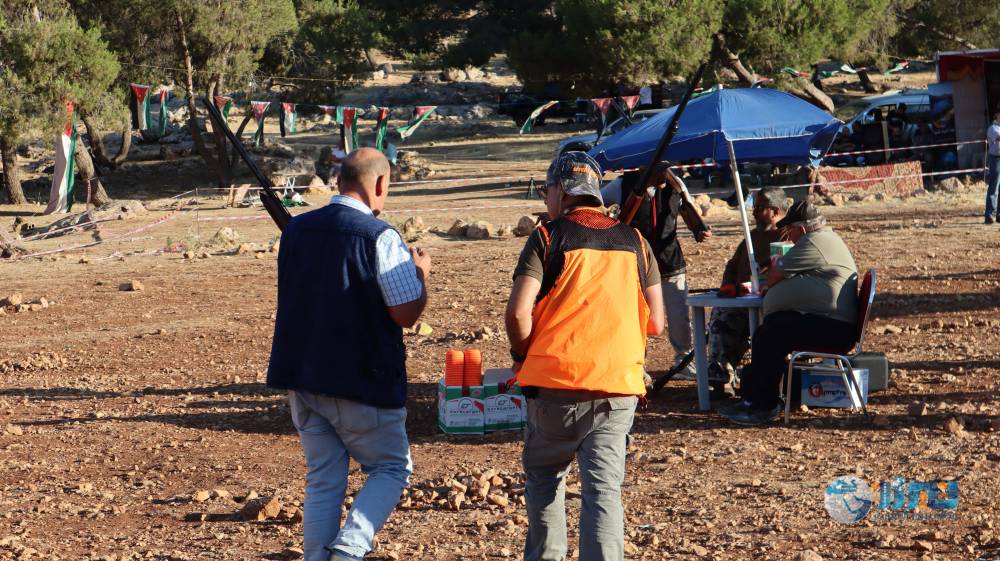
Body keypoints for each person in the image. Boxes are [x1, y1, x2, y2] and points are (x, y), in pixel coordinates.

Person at [267, 148, 431, 561]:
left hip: (303, 376)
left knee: (324, 479)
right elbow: (406, 313)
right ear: (380, 184)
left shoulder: (296, 230)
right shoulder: (380, 236)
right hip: (361, 379)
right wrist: (420, 274)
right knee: (391, 468)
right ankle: (350, 549)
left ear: (338, 181)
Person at [506, 151, 665, 561]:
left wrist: (521, 355)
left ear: (560, 191)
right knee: (603, 493)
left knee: (545, 482)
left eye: (547, 190)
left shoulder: (547, 237)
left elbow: (519, 313)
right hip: (616, 390)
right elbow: (656, 323)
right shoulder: (636, 241)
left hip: (553, 389)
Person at [721, 201, 858, 426]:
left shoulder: (813, 242)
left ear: (801, 229)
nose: (787, 235)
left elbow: (774, 275)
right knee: (770, 331)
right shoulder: (822, 239)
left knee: (771, 334)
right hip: (832, 323)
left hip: (834, 327)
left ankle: (764, 406)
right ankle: (753, 400)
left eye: (790, 230)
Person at [601, 166, 711, 379]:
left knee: (679, 317)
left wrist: (699, 230)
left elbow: (688, 211)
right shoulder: (622, 185)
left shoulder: (676, 185)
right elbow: (596, 203)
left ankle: (684, 361)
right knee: (636, 317)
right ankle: (636, 364)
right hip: (636, 264)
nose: (665, 174)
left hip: (671, 262)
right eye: (660, 168)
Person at [707, 188, 789, 387]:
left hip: (767, 303)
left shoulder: (786, 236)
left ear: (775, 211)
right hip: (740, 299)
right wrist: (728, 286)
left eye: (759, 208)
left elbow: (780, 272)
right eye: (754, 207)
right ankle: (721, 374)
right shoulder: (751, 238)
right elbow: (733, 265)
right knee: (721, 317)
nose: (754, 213)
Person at [985, 108, 1000, 224]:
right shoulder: (993, 128)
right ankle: (990, 214)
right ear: (997, 114)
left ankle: (999, 215)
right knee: (994, 187)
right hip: (996, 159)